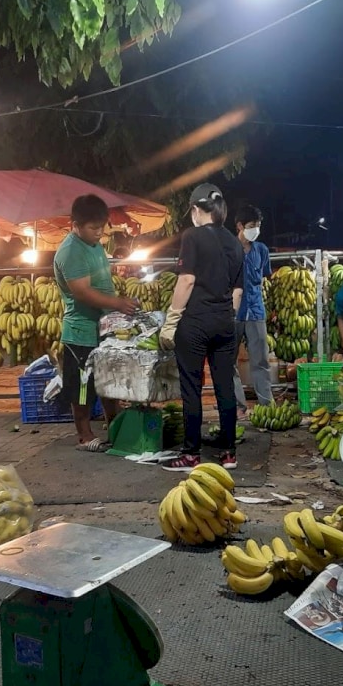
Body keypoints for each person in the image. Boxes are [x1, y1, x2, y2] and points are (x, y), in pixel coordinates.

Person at [160, 183, 244, 471]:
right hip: (225, 323)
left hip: (195, 322)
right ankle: (229, 452)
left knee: (192, 387)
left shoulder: (192, 236)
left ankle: (191, 454)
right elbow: (238, 292)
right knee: (225, 386)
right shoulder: (234, 242)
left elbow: (186, 280)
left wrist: (172, 320)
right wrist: (225, 316)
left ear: (196, 210)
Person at [53, 194, 139, 452]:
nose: (99, 232)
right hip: (81, 331)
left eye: (102, 227)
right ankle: (84, 435)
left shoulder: (94, 244)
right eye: (93, 228)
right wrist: (117, 303)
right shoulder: (71, 251)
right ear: (75, 224)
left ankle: (115, 426)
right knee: (83, 386)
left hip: (103, 327)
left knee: (108, 381)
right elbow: (82, 292)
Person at [230, 205, 273, 417]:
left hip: (256, 311)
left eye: (258, 225)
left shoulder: (262, 250)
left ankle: (266, 406)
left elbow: (263, 278)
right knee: (228, 361)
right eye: (252, 225)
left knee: (261, 361)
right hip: (232, 312)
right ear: (240, 226)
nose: (256, 230)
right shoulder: (227, 249)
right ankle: (237, 406)